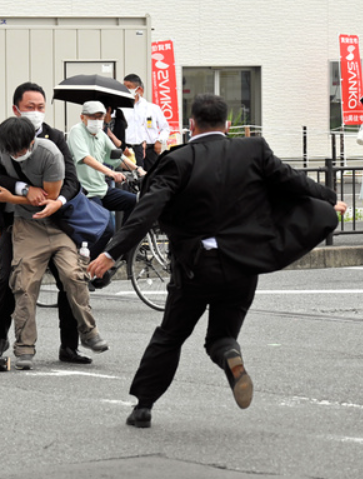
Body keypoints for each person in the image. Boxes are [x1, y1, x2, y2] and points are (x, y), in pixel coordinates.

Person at [88, 94, 346, 428]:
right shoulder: (253, 151)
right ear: (227, 125)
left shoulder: (178, 160)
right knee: (221, 336)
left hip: (195, 267)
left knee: (171, 335)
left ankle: (143, 406)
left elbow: (146, 210)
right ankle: (228, 354)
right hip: (244, 263)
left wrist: (112, 253)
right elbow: (293, 181)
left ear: (191, 125)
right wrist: (330, 200)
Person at [0, 81, 94, 366]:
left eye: (40, 107)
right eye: (30, 107)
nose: (35, 112)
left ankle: (69, 346)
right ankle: (0, 338)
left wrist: (59, 201)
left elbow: (71, 180)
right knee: (8, 279)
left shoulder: (55, 137)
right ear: (16, 108)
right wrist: (23, 188)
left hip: (55, 223)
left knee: (70, 279)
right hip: (14, 223)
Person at [67, 100, 141, 265]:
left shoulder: (102, 135)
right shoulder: (76, 132)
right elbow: (85, 158)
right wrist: (110, 172)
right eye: (92, 117)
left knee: (135, 202)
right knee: (106, 227)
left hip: (102, 189)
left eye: (100, 117)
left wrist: (140, 170)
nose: (96, 120)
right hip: (85, 192)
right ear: (82, 117)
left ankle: (122, 245)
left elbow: (118, 157)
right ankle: (87, 265)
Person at [122, 74, 170, 171]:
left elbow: (165, 128)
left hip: (150, 150)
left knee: (151, 179)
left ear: (139, 89)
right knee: (130, 180)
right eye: (124, 87)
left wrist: (160, 141)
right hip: (129, 151)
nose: (126, 90)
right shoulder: (121, 108)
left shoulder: (152, 108)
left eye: (129, 87)